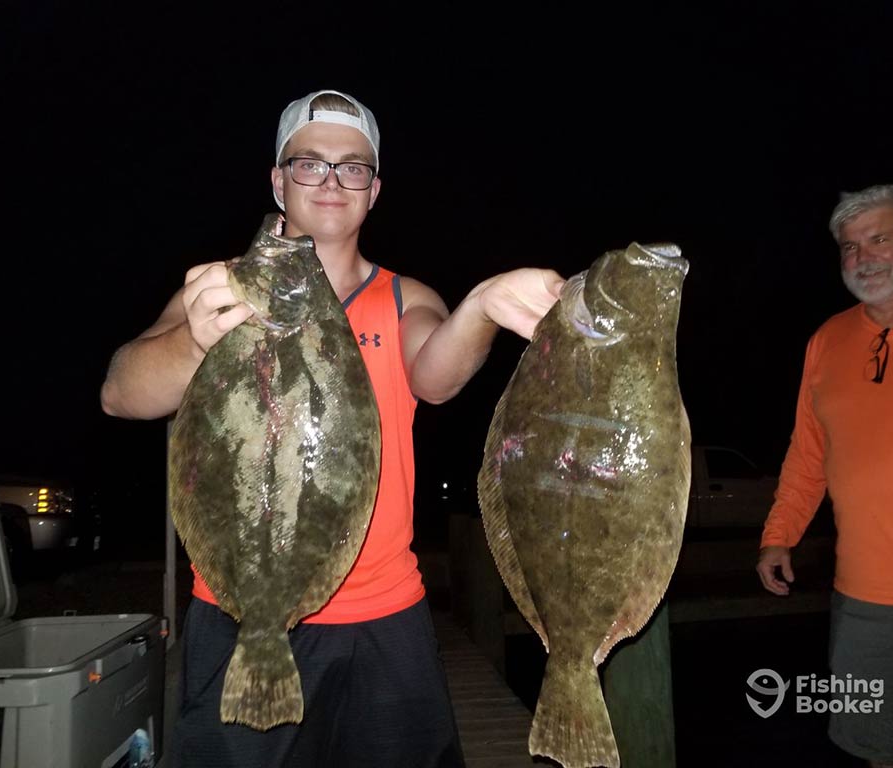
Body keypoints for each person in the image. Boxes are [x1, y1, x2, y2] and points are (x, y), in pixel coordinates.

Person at [100, 89, 565, 767]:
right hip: (239, 613)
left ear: (373, 191)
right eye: (309, 163)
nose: (329, 180)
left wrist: (483, 307)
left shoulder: (405, 297)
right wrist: (194, 342)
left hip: (386, 620)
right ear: (277, 179)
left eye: (351, 167)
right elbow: (121, 392)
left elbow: (434, 376)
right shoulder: (221, 289)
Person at [756, 182, 893, 768]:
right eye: (849, 247)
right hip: (871, 598)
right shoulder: (828, 340)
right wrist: (779, 533)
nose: (863, 257)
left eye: (879, 238)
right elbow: (808, 454)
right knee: (884, 752)